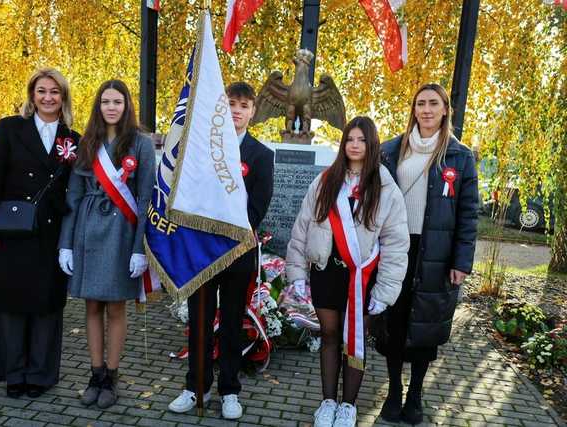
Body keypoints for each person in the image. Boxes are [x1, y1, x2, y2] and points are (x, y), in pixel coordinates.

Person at [286, 116, 409, 427]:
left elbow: (395, 244)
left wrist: (385, 293)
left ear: (372, 145)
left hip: (362, 279)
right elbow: (302, 228)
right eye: (350, 139)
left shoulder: (385, 187)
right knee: (328, 335)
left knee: (354, 340)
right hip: (327, 273)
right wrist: (297, 274)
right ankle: (327, 402)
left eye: (361, 140)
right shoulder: (326, 181)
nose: (355, 145)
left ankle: (348, 406)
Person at [168, 82, 274, 420]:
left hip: (238, 252)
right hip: (203, 251)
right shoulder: (202, 149)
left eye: (244, 105)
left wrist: (232, 235)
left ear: (253, 111)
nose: (236, 110)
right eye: (231, 103)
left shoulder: (261, 155)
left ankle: (230, 390)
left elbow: (258, 206)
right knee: (200, 321)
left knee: (230, 324)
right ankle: (194, 386)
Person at [378, 83, 479, 425]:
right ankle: (393, 391)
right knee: (393, 321)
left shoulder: (460, 156)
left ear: (445, 109)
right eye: (420, 103)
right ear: (413, 109)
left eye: (433, 103)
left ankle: (415, 394)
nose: (426, 109)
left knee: (426, 325)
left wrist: (461, 262)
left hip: (435, 252)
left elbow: (468, 213)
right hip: (395, 249)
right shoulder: (391, 150)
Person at [0, 67, 80, 399]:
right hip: (10, 230)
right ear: (32, 95)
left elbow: (74, 190)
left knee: (46, 304)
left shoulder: (73, 139)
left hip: (50, 235)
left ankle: (40, 373)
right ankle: (15, 373)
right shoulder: (10, 128)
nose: (48, 97)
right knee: (11, 303)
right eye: (41, 91)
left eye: (55, 92)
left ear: (63, 97)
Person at [58, 80, 155, 409]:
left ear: (127, 105)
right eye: (105, 102)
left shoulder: (141, 143)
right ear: (98, 106)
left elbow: (144, 199)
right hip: (87, 229)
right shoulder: (88, 141)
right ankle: (95, 373)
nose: (111, 107)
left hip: (122, 233)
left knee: (115, 306)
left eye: (118, 101)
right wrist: (66, 244)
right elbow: (73, 195)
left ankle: (111, 376)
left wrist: (140, 247)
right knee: (92, 306)